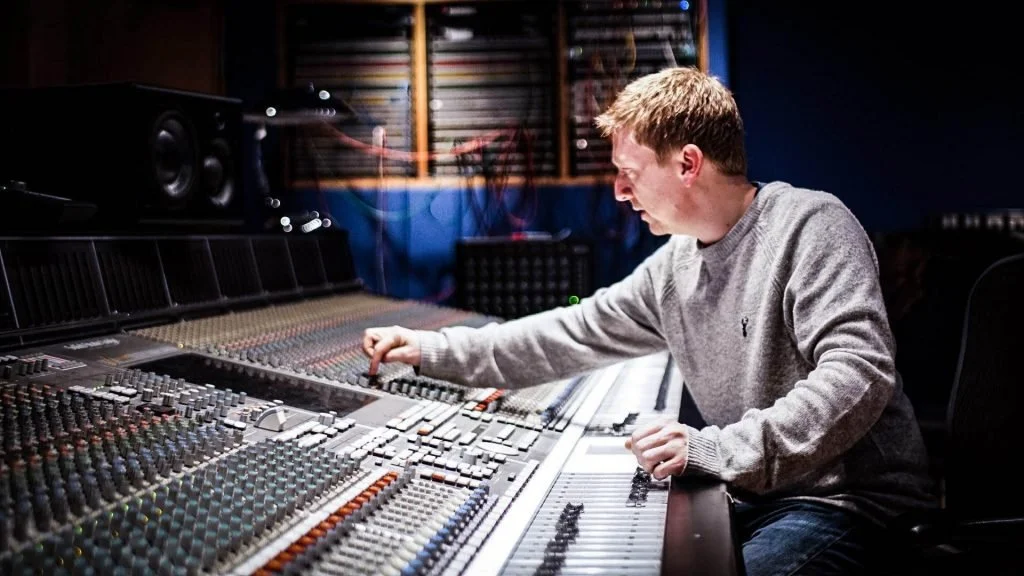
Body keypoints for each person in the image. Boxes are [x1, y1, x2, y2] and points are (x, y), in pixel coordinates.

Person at [362, 66, 936, 575]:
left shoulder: (811, 226)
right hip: (751, 495)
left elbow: (858, 375)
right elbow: (572, 331)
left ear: (688, 163)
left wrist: (718, 450)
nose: (618, 191)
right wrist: (430, 349)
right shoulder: (676, 265)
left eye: (629, 172)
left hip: (846, 505)